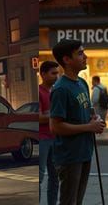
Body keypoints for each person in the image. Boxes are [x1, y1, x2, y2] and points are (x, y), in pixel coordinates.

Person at [50, 38, 105, 205]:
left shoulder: (81, 83)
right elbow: (55, 126)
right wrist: (89, 127)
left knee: (77, 201)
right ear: (66, 60)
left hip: (84, 151)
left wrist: (95, 119)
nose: (85, 56)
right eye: (80, 53)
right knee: (69, 201)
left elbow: (88, 111)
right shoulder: (60, 89)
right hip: (69, 156)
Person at [38, 61, 62, 205]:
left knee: (55, 177)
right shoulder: (40, 92)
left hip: (55, 138)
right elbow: (39, 118)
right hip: (42, 138)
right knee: (39, 177)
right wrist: (54, 115)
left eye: (57, 73)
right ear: (43, 74)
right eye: (53, 73)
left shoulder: (54, 91)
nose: (56, 76)